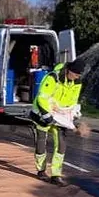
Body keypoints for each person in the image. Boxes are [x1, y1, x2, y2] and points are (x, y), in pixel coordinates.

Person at [29, 58, 86, 187]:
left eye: (79, 75)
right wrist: (47, 116)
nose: (77, 77)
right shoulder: (53, 78)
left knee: (61, 145)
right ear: (68, 70)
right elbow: (42, 98)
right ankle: (41, 170)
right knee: (41, 144)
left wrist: (74, 117)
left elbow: (72, 101)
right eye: (76, 74)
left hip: (60, 117)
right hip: (42, 114)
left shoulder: (77, 82)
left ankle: (56, 175)